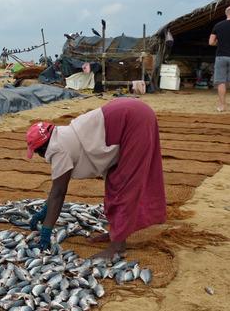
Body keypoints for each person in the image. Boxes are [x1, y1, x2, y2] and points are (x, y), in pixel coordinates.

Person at [26, 98, 166, 259]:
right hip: (124, 114)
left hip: (135, 119)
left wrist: (46, 230)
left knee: (125, 186)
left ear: (43, 147)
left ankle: (118, 246)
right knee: (114, 182)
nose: (41, 156)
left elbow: (58, 192)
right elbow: (57, 189)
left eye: (38, 152)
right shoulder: (61, 135)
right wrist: (45, 210)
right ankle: (117, 233)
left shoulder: (58, 149)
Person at [209, 6, 230, 112]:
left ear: (226, 13)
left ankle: (222, 106)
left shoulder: (218, 25)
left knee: (221, 82)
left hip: (221, 56)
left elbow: (211, 42)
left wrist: (219, 42)